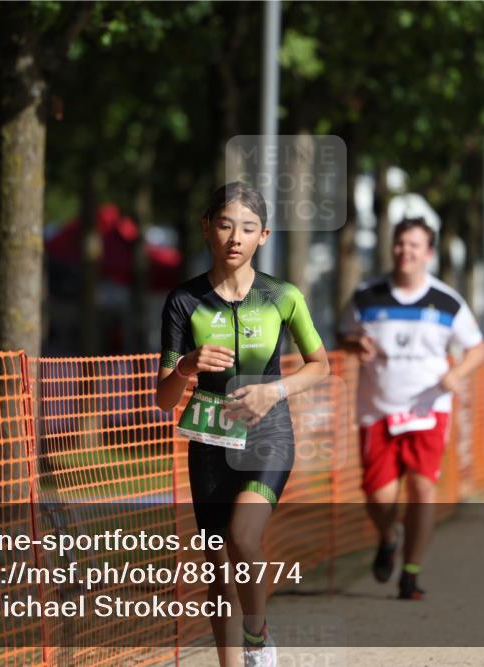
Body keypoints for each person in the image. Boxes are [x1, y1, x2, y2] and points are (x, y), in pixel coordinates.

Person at [155, 182, 329, 667]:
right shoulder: (183, 301)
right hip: (209, 438)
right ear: (206, 228)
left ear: (263, 235)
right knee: (217, 565)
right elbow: (163, 398)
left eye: (248, 228)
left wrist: (275, 391)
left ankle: (257, 635)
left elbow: (321, 365)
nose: (236, 237)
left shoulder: (282, 296)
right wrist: (187, 365)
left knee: (243, 537)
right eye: (226, 225)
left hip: (267, 432)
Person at [338, 217, 484, 600]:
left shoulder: (447, 300)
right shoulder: (367, 296)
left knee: (422, 488)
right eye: (400, 243)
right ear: (393, 247)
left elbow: (478, 348)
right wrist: (355, 343)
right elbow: (342, 333)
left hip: (428, 409)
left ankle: (411, 571)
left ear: (429, 253)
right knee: (379, 497)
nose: (406, 251)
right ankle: (389, 537)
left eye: (415, 245)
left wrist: (458, 374)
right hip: (377, 410)